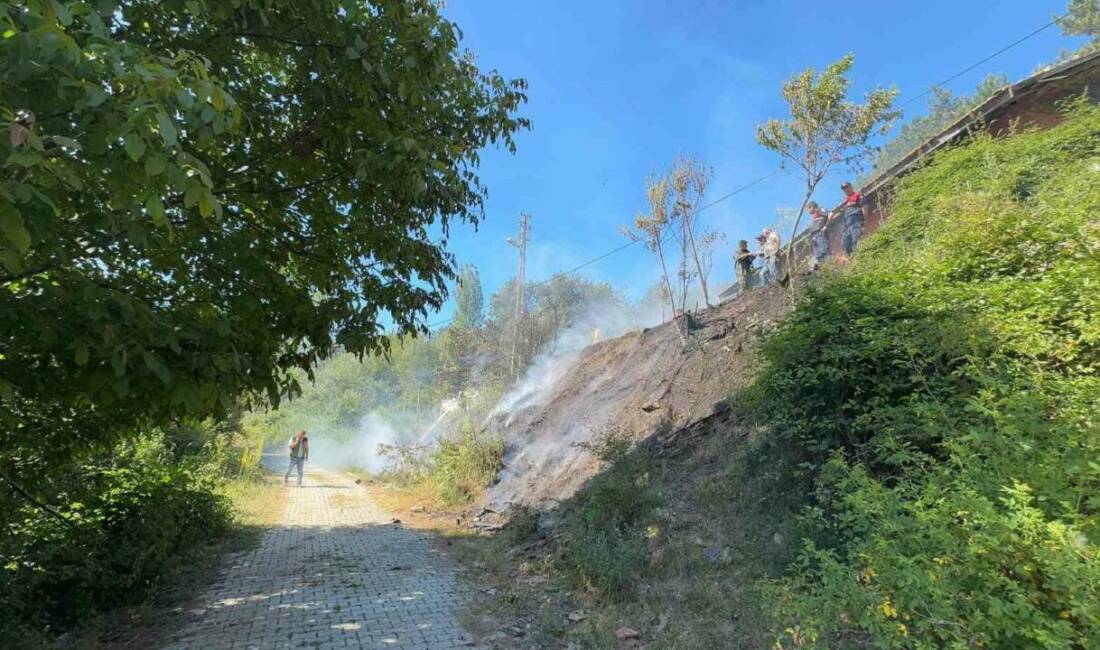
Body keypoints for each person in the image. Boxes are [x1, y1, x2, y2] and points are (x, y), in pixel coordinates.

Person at [832, 182, 865, 256]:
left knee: (856, 240)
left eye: (847, 187)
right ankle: (853, 259)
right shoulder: (846, 202)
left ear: (851, 186)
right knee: (845, 245)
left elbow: (864, 206)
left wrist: (865, 220)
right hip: (848, 226)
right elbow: (840, 213)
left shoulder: (857, 195)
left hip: (856, 223)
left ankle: (861, 256)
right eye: (844, 189)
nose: (846, 190)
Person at [807, 201, 830, 269]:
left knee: (824, 251)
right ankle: (823, 269)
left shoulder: (819, 210)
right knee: (818, 255)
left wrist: (826, 226)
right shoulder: (814, 216)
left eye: (808, 208)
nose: (808, 210)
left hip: (820, 234)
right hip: (815, 236)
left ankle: (830, 267)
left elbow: (831, 214)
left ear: (812, 207)